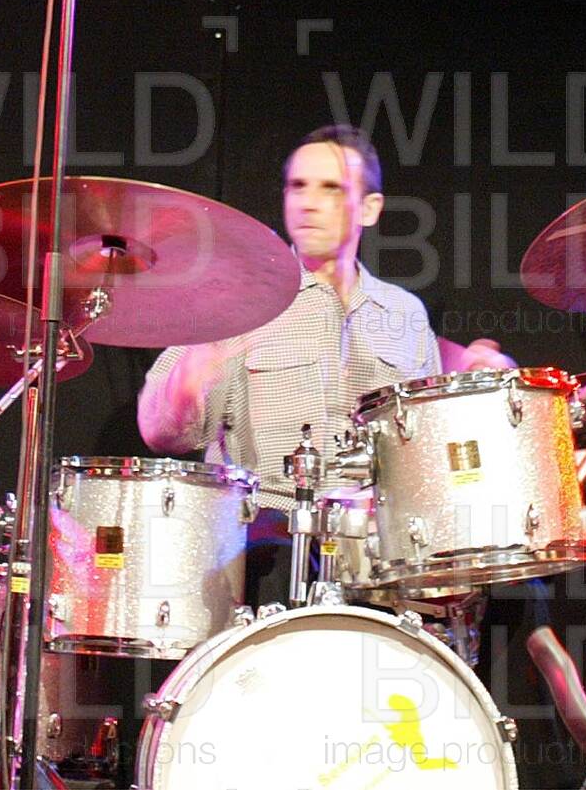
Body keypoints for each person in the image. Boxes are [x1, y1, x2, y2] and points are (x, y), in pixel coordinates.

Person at [139, 124, 511, 599]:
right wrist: (190, 378)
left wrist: (476, 392)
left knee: (507, 583)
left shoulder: (404, 313)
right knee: (275, 561)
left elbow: (422, 451)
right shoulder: (242, 301)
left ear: (369, 208)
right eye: (298, 186)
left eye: (330, 188)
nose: (307, 203)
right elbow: (160, 433)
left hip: (377, 547)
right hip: (268, 537)